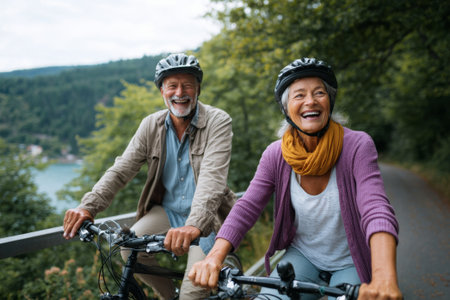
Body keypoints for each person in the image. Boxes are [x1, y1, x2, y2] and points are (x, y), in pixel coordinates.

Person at [188, 57, 403, 300]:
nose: (310, 101)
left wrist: (385, 277)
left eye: (319, 92)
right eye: (299, 95)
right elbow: (247, 207)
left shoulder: (356, 145)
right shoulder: (276, 154)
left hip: (350, 260)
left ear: (329, 101)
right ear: (286, 107)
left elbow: (376, 208)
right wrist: (214, 257)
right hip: (303, 256)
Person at [63, 53, 236, 300]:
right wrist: (88, 207)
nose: (180, 92)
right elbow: (122, 169)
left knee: (195, 289)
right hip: (167, 211)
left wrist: (194, 225)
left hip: (207, 219)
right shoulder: (151, 125)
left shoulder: (218, 121)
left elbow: (212, 179)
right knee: (128, 250)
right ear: (162, 91)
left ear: (198, 88)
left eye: (187, 85)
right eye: (172, 86)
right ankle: (171, 295)